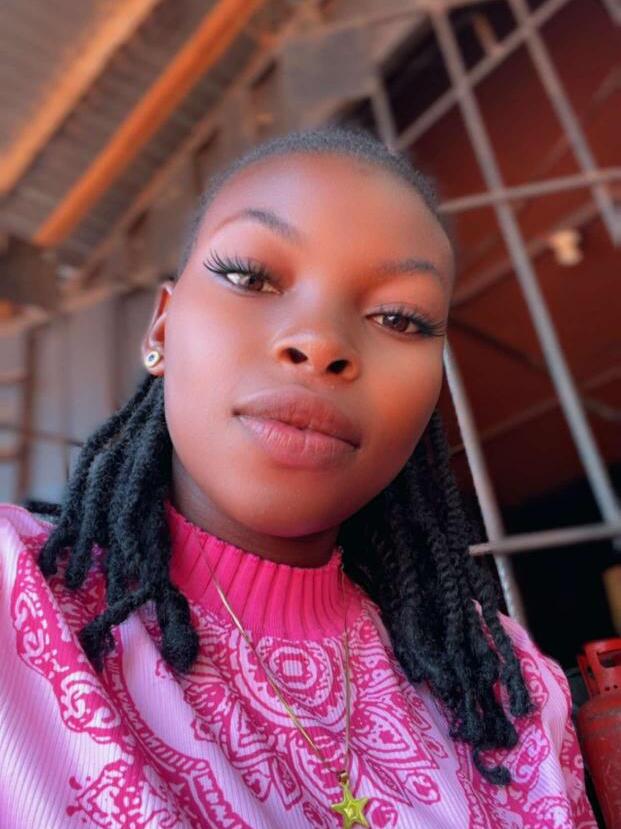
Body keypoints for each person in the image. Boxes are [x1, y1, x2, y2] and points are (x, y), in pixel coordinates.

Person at [0, 127, 596, 829]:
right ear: (161, 328)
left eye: (399, 317)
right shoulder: (16, 594)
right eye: (251, 277)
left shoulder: (510, 688)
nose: (319, 343)